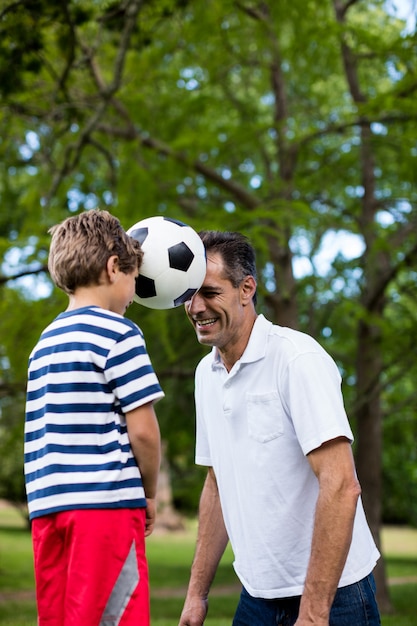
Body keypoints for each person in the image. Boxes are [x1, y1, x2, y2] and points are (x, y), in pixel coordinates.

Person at [179, 230, 381, 626]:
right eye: (188, 293)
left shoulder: (297, 359)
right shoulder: (207, 374)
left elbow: (341, 485)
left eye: (209, 292)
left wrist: (313, 613)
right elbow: (217, 483)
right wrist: (195, 595)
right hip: (256, 596)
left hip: (335, 597)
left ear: (246, 288)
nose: (195, 306)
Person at [24, 209, 164, 626]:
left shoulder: (44, 344)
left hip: (48, 511)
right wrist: (150, 492)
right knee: (114, 616)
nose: (133, 294)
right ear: (112, 268)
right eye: (134, 281)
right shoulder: (120, 333)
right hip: (104, 509)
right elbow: (143, 432)